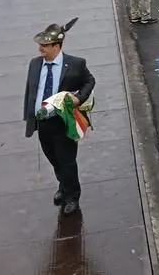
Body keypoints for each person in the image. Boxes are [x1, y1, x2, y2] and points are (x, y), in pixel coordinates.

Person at [22, 19, 96, 215]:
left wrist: (79, 98)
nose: (40, 49)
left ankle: (73, 196)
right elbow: (31, 91)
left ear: (57, 46)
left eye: (45, 45)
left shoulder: (75, 64)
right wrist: (30, 115)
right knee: (53, 159)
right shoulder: (35, 64)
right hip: (43, 122)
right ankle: (63, 186)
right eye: (40, 45)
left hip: (63, 122)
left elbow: (90, 81)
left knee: (67, 161)